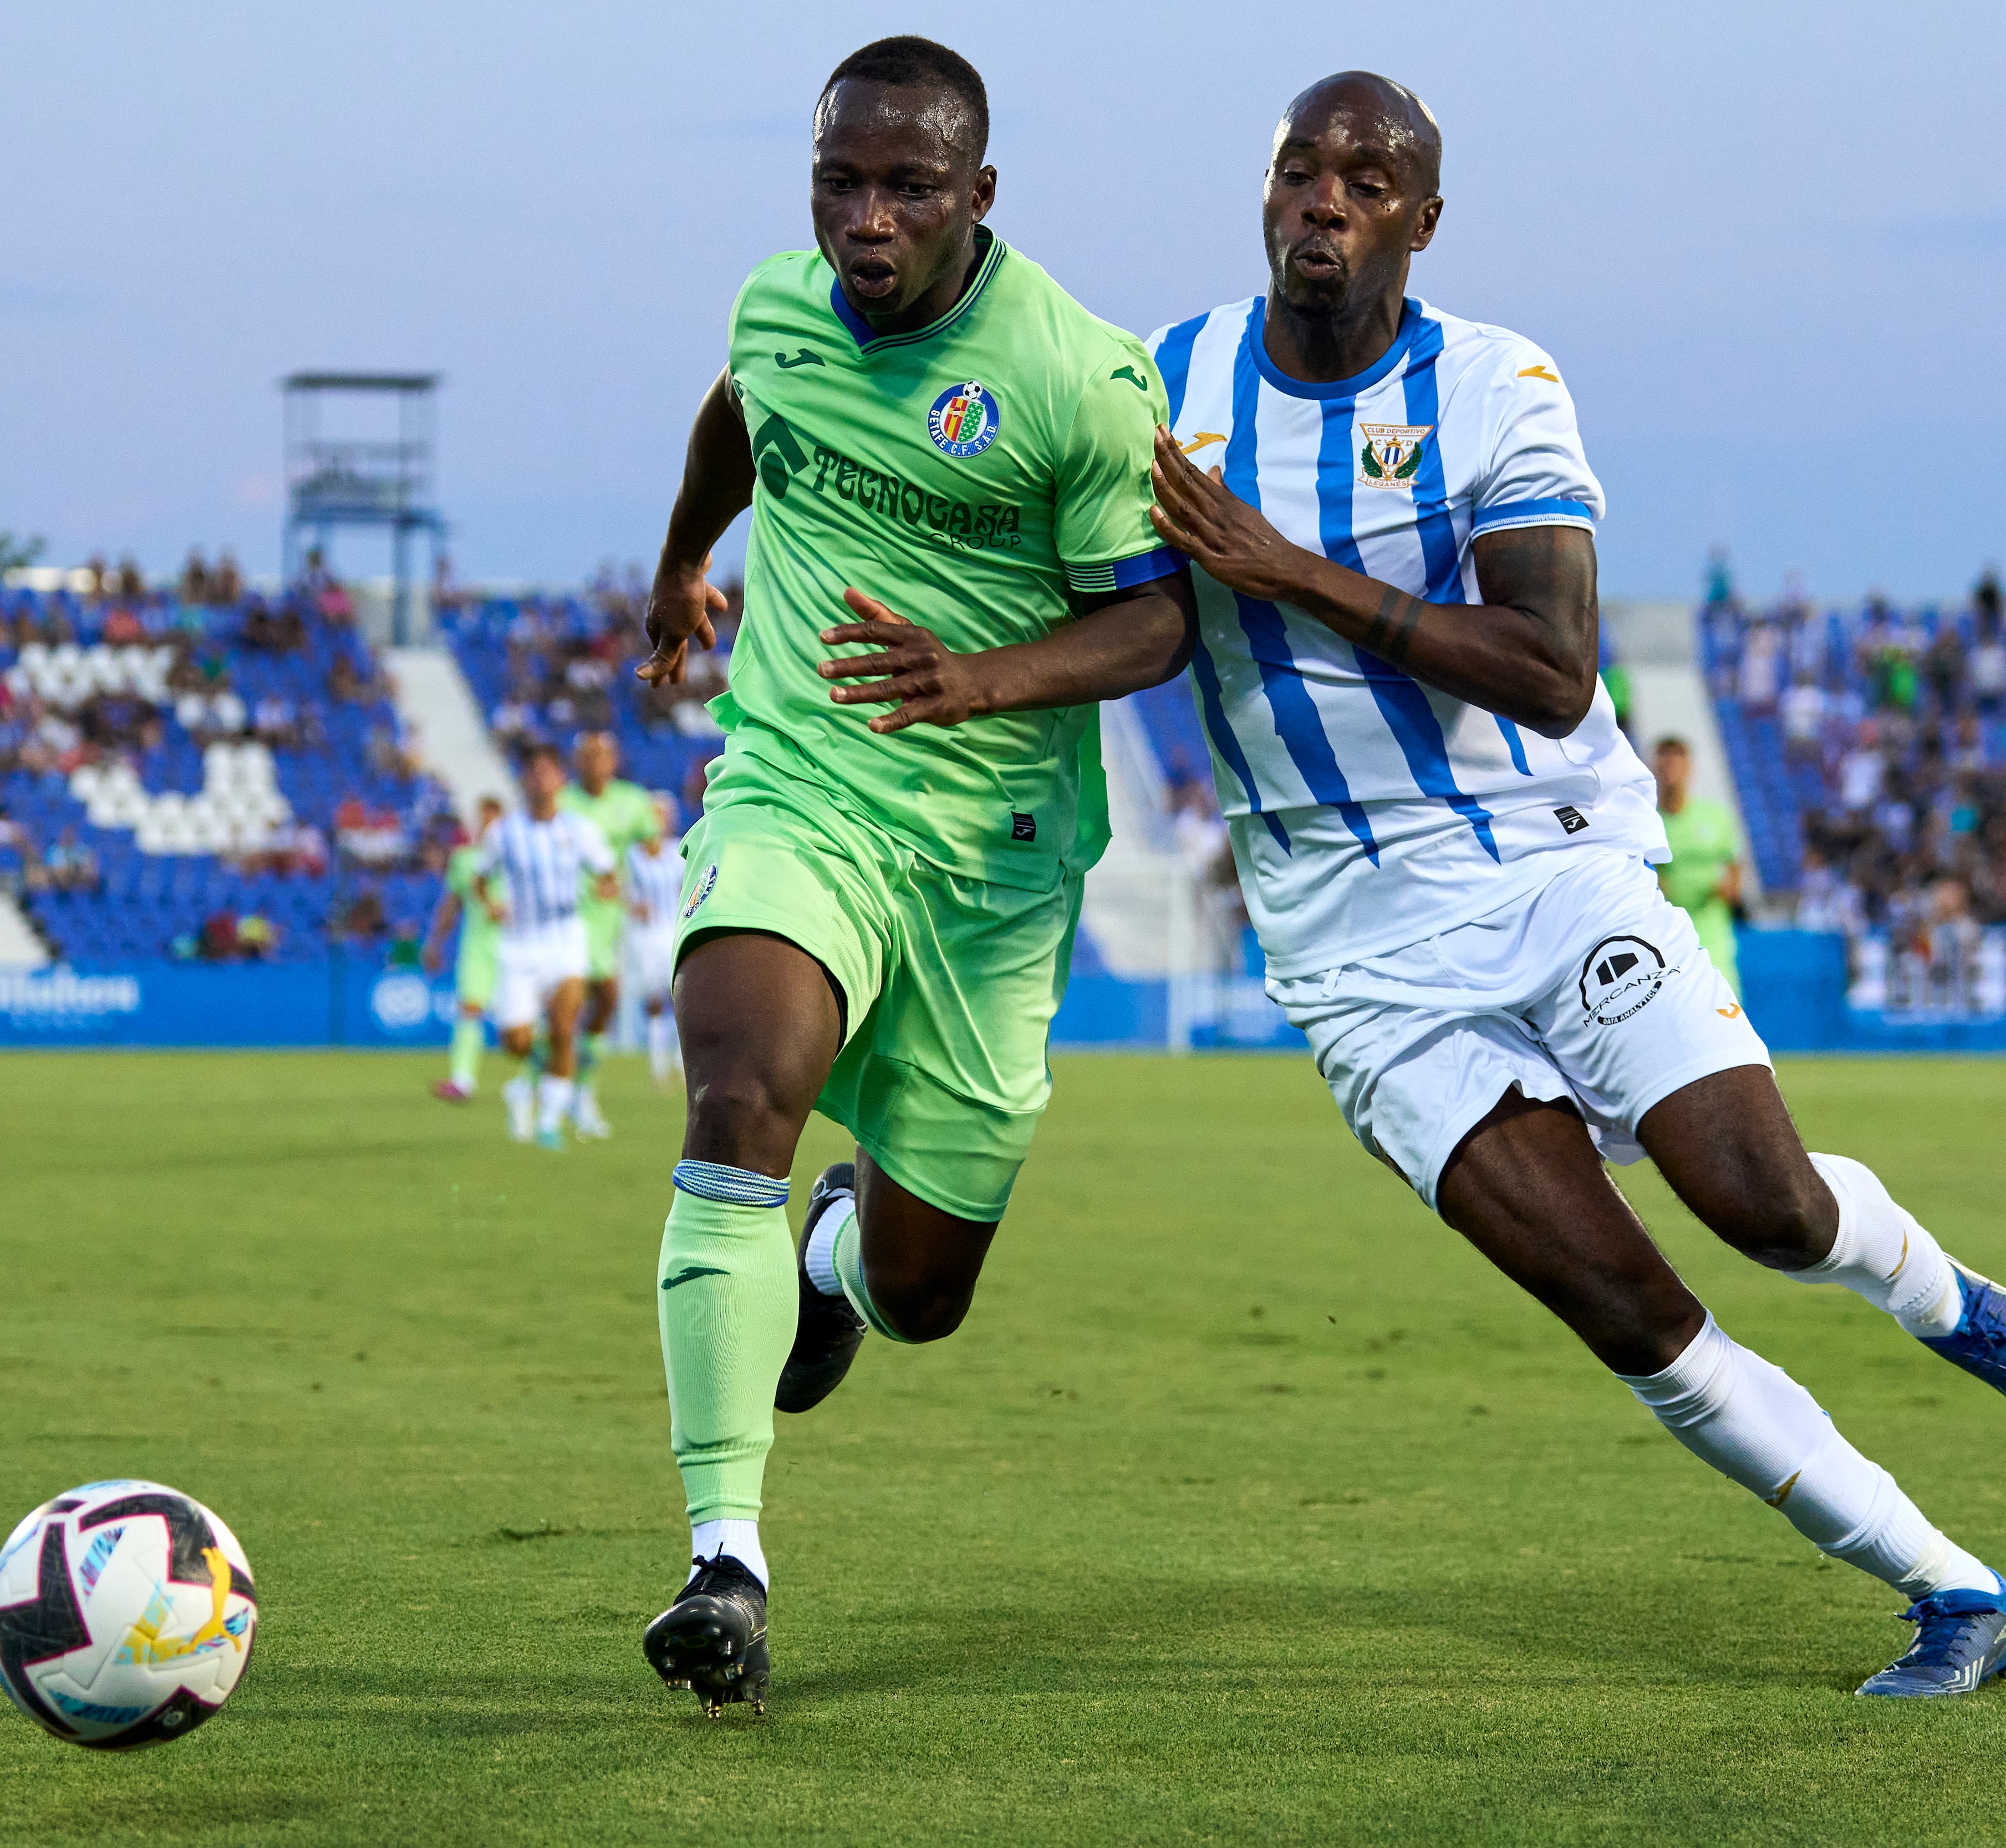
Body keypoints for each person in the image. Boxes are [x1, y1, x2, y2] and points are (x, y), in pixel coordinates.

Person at [1141, 72, 2006, 1701]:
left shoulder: (1495, 385)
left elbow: (1545, 666)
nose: (1323, 198)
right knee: (1628, 1306)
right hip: (1355, 956)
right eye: (1297, 171)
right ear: (1262, 195)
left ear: (1421, 221)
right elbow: (1147, 611)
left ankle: (1943, 1294)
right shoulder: (1165, 383)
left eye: (1365, 180)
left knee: (1763, 1208)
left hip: (1549, 870)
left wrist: (1285, 569)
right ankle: (1950, 1590)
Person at [630, 34, 1195, 1716]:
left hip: (989, 865)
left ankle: (834, 1268)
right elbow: (744, 412)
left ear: (977, 197)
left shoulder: (1071, 377)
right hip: (799, 788)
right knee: (736, 1088)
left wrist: (982, 676)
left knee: (922, 1292)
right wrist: (680, 561)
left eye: (906, 189)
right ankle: (722, 1558)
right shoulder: (776, 307)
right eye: (839, 183)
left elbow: (1157, 615)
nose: (865, 221)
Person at [486, 750, 617, 1147]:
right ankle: (524, 1086)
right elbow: (480, 877)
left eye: (548, 772)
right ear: (524, 781)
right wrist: (491, 902)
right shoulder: (504, 833)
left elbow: (607, 872)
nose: (541, 779)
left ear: (561, 780)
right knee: (517, 1042)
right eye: (534, 772)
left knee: (564, 1028)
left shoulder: (579, 829)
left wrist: (607, 887)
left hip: (566, 939)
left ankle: (549, 1120)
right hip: (520, 944)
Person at [563, 731, 663, 1139]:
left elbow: (654, 845)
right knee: (569, 1004)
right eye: (586, 756)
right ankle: (560, 1088)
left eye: (602, 755)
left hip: (608, 919)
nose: (594, 763)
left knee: (604, 998)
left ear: (614, 760)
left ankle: (577, 1089)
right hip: (566, 917)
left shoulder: (632, 801)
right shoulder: (564, 803)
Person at [424, 793, 508, 1102]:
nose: (487, 826)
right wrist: (435, 944)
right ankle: (462, 1081)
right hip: (477, 949)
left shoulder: (518, 856)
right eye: (483, 819)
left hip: (516, 950)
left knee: (525, 1025)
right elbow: (451, 904)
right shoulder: (465, 860)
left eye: (493, 820)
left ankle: (537, 1082)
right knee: (469, 1010)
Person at [1650, 735, 1747, 998]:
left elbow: (1734, 862)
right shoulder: (1649, 823)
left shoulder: (1715, 817)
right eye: (1664, 763)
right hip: (1667, 934)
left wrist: (1730, 889)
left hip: (1713, 931)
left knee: (1723, 1004)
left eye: (1677, 762)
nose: (1671, 771)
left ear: (1689, 768)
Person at [619, 793, 687, 1087]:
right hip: (646, 935)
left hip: (674, 930)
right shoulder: (631, 856)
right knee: (655, 1000)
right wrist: (632, 905)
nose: (661, 821)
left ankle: (680, 1060)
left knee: (681, 995)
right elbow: (620, 890)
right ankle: (658, 1063)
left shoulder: (678, 852)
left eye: (665, 815)